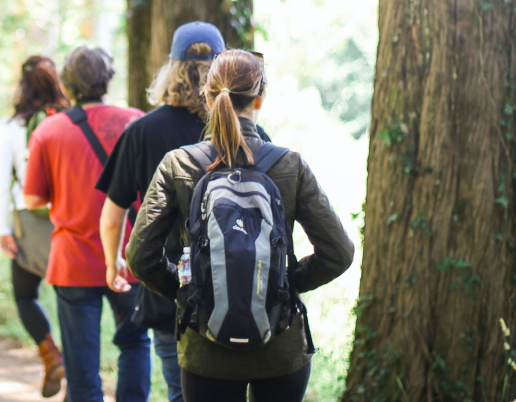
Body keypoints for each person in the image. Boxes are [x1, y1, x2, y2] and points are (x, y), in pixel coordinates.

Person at [126, 49, 355, 402]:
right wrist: (282, 286)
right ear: (259, 98)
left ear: (206, 94)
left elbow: (140, 256)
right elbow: (338, 253)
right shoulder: (290, 165)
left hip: (206, 350)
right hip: (281, 347)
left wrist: (191, 292)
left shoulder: (178, 164)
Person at [96, 22, 271, 402]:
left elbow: (113, 215)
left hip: (172, 291)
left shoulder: (141, 132)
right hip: (244, 292)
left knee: (183, 392)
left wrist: (113, 264)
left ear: (171, 68)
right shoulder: (255, 138)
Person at [23, 46, 151, 402]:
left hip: (74, 260)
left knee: (81, 365)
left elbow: (32, 198)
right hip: (130, 255)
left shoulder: (48, 132)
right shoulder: (136, 121)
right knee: (136, 343)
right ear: (107, 78)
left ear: (68, 83)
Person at [0, 55, 70, 397]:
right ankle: (78, 377)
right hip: (70, 222)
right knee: (72, 301)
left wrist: (2, 228)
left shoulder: (10, 127)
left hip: (28, 221)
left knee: (25, 295)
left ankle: (51, 353)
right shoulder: (71, 120)